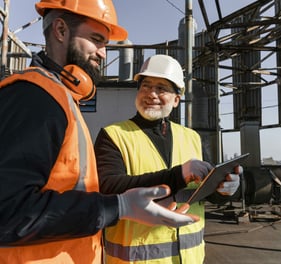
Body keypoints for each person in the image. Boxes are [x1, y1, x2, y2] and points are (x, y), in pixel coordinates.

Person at [0, 1, 201, 263]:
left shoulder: (60, 99)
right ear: (61, 30)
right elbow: (8, 211)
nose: (103, 53)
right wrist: (117, 207)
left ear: (177, 99)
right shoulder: (35, 99)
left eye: (105, 44)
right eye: (96, 40)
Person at [94, 54, 242, 264]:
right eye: (145, 86)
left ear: (176, 100)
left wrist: (225, 190)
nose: (151, 94)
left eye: (161, 88)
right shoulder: (113, 135)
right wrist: (178, 175)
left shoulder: (192, 137)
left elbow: (204, 191)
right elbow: (108, 186)